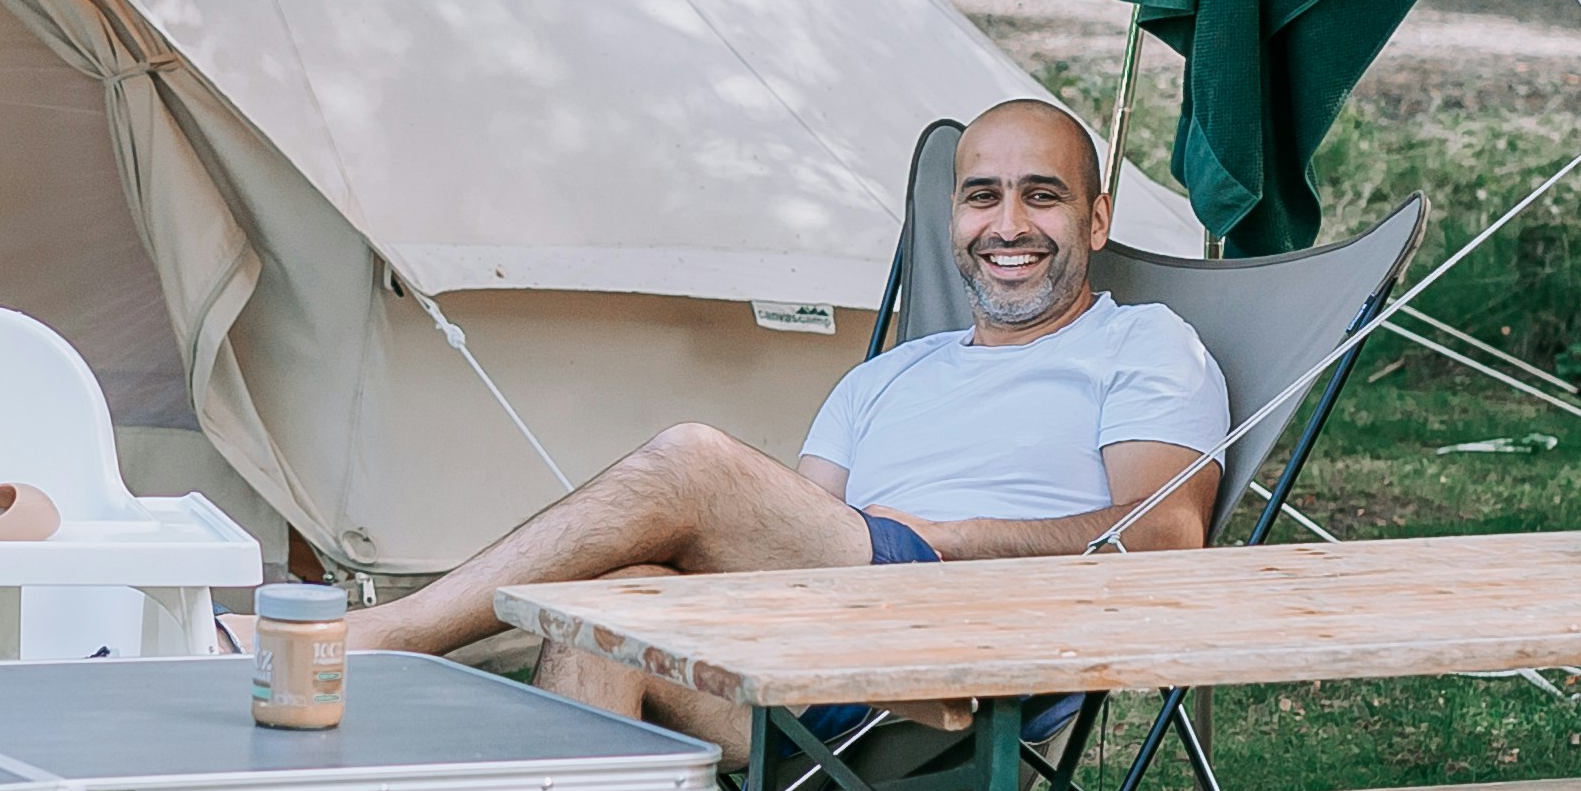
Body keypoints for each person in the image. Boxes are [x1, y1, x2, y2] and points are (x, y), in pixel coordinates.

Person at [342, 96, 1228, 724]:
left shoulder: (1145, 343)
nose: (1008, 224)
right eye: (980, 196)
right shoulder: (887, 377)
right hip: (827, 650)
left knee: (693, 458)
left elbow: (1163, 539)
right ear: (952, 219)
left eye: (1042, 195)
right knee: (613, 610)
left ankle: (389, 635)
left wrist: (945, 537)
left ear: (1098, 219)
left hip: (976, 650)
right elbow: (785, 560)